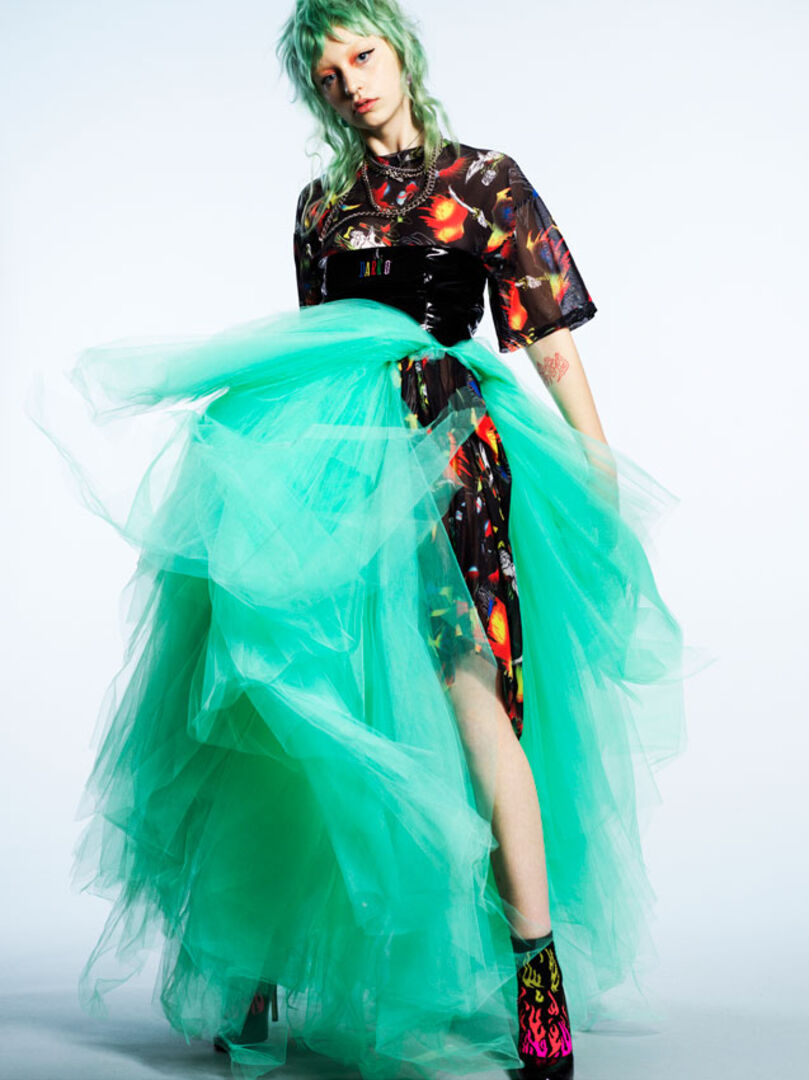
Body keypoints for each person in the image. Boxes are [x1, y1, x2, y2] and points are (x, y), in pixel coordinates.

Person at [29, 2, 691, 1078]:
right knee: (299, 698)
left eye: (362, 55)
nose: (350, 82)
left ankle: (537, 982)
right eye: (327, 73)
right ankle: (257, 964)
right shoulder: (319, 207)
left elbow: (549, 344)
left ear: (400, 52)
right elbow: (319, 347)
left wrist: (594, 461)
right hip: (330, 475)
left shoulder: (485, 181)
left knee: (477, 707)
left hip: (448, 463)